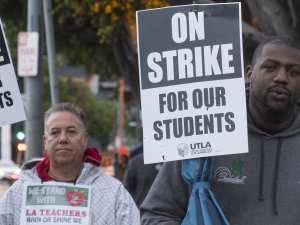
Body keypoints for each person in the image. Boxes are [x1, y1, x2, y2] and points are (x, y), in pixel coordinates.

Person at [140, 36, 300, 225]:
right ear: (248, 75)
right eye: (270, 67)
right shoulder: (203, 132)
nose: (282, 77)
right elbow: (157, 214)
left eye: (294, 71)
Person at [0, 103, 140, 224]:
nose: (63, 139)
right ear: (45, 141)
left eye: (71, 132)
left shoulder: (114, 194)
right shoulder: (18, 193)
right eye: (55, 132)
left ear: (85, 140)